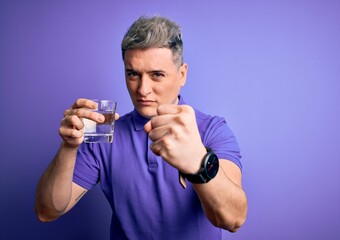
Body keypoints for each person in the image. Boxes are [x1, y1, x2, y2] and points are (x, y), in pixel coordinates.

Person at [35, 15, 248, 240]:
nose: (143, 89)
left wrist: (198, 163)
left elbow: (233, 220)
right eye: (133, 74)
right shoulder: (105, 131)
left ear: (182, 74)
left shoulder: (212, 130)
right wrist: (68, 147)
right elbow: (47, 211)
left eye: (157, 75)